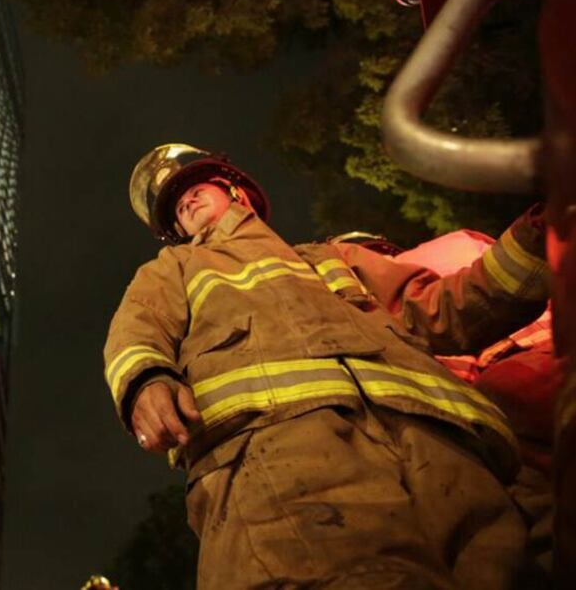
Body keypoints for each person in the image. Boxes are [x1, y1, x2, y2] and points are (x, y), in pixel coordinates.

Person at [103, 143, 551, 588]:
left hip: (438, 447)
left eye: (195, 189)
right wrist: (145, 380)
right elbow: (139, 326)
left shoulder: (333, 258)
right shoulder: (177, 266)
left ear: (235, 190)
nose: (187, 203)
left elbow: (443, 309)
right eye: (178, 208)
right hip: (281, 453)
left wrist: (539, 238)